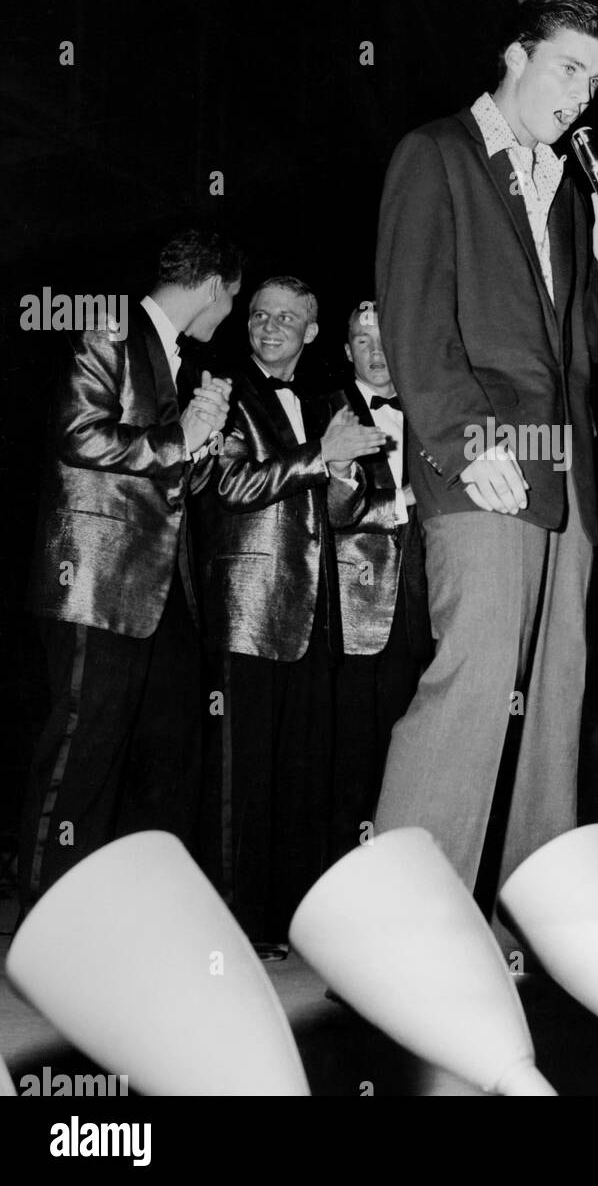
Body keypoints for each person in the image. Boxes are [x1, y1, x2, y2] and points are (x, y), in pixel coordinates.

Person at [373, 0, 598, 926]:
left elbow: (587, 358)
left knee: (556, 704)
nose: (581, 96)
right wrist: (462, 443)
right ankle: (410, 925)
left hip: (566, 482)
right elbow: (416, 316)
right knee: (476, 685)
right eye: (569, 68)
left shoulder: (570, 193)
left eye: (596, 82)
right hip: (483, 461)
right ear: (515, 56)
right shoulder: (437, 154)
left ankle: (535, 927)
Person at [21, 229, 243, 906]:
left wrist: (201, 450)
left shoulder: (170, 358)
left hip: (151, 587)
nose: (229, 314)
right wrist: (183, 437)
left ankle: (118, 908)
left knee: (142, 751)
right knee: (82, 752)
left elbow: (157, 464)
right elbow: (79, 432)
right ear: (212, 286)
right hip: (94, 580)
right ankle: (46, 916)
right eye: (232, 298)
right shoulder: (108, 328)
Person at [198, 276, 386, 953]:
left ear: (312, 332)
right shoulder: (220, 391)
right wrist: (319, 459)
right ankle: (235, 929)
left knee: (301, 775)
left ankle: (290, 924)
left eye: (289, 318)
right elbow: (232, 485)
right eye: (260, 314)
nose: (270, 327)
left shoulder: (326, 401)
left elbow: (342, 512)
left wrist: (338, 479)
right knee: (241, 780)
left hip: (316, 615)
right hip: (248, 611)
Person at [327, 302, 432, 859]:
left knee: (408, 746)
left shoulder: (432, 411)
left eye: (386, 339)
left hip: (420, 609)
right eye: (362, 341)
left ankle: (400, 869)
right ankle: (346, 877)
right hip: (351, 609)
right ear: (347, 352)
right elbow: (330, 508)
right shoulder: (329, 412)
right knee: (349, 755)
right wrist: (402, 502)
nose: (376, 352)